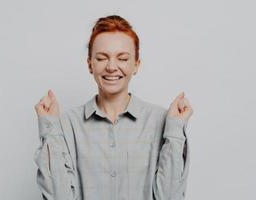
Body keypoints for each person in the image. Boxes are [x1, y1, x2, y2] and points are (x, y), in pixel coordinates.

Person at [34, 15, 193, 200]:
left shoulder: (161, 120)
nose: (111, 67)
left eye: (122, 58)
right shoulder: (66, 125)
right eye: (102, 58)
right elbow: (58, 196)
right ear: (90, 65)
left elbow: (170, 196)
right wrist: (49, 128)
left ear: (136, 65)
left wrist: (175, 129)